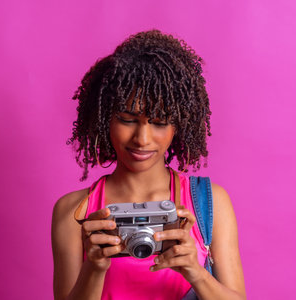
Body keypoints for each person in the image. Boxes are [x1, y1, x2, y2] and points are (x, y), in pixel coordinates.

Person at [52, 30, 245, 300]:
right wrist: (94, 268)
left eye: (159, 122)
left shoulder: (208, 202)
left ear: (179, 126)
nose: (142, 140)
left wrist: (195, 271)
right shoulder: (74, 212)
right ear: (105, 119)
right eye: (127, 119)